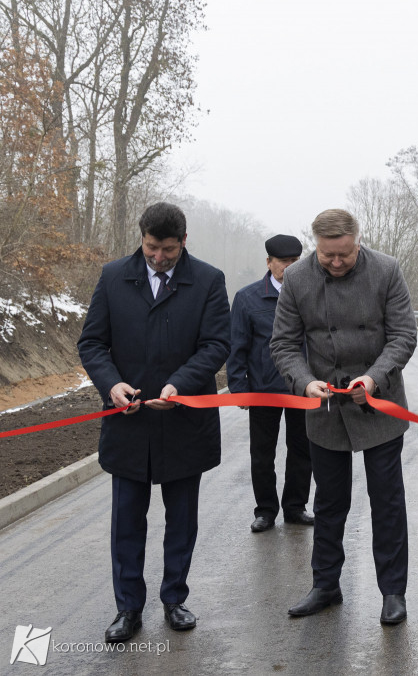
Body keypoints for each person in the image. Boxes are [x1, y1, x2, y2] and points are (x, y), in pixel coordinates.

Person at [78, 202, 230, 643]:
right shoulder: (112, 277)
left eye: (167, 250)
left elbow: (217, 344)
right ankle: (128, 608)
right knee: (127, 521)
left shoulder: (208, 280)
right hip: (128, 424)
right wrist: (112, 385)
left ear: (183, 241)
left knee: (181, 520)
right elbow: (92, 343)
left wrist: (180, 384)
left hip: (183, 423)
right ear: (140, 239)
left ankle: (174, 598)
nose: (158, 258)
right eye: (150, 249)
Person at [270, 209, 417, 625]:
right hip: (326, 408)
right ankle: (325, 585)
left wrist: (373, 378)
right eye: (327, 255)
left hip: (379, 403)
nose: (336, 262)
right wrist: (303, 382)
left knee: (387, 503)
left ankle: (392, 592)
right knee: (329, 502)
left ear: (358, 241)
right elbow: (282, 344)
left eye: (345, 255)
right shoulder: (296, 278)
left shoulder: (386, 270)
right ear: (315, 246)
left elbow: (404, 335)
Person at [227, 234, 314, 533]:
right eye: (283, 262)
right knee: (262, 454)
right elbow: (236, 346)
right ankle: (265, 510)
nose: (289, 268)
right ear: (269, 262)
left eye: (294, 262)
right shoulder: (248, 298)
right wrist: (239, 387)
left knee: (302, 450)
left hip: (303, 388)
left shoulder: (312, 294)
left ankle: (296, 507)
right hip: (263, 389)